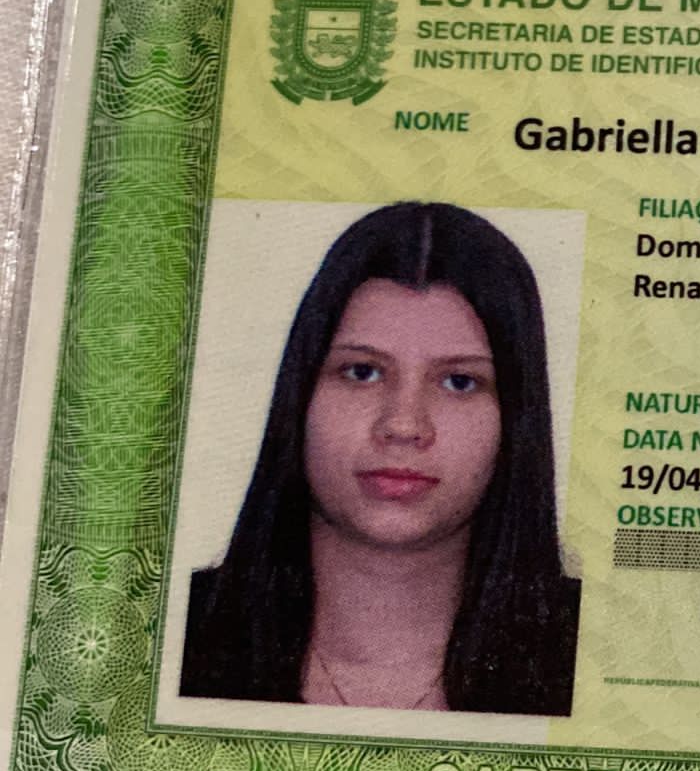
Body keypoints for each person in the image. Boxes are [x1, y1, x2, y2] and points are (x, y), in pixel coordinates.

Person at [180, 201, 580, 715]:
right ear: (299, 397)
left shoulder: (596, 653)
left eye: (460, 382)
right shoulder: (164, 634)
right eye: (362, 372)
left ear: (516, 419)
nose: (403, 425)